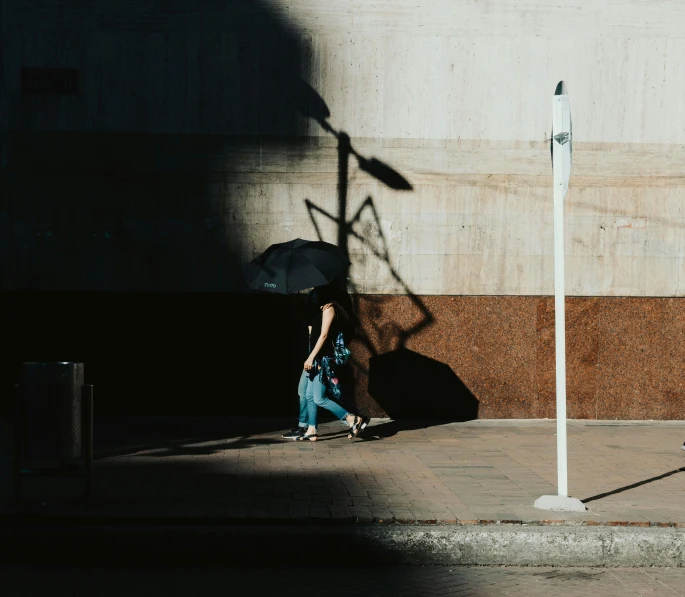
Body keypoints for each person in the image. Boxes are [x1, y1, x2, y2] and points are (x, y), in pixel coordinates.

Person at [283, 283, 368, 441]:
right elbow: (314, 334)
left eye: (316, 292)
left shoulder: (330, 309)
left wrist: (311, 357)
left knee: (319, 398)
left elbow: (323, 336)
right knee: (309, 395)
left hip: (323, 358)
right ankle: (311, 430)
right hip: (317, 358)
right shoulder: (321, 310)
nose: (313, 295)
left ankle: (352, 419)